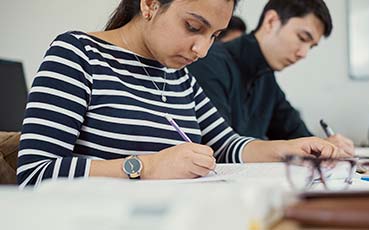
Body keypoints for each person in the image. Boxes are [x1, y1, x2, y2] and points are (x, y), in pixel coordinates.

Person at [17, 0, 347, 188]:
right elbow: (35, 171)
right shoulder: (78, 54)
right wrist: (146, 166)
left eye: (214, 35)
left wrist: (289, 149)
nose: (202, 50)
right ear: (149, 4)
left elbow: (228, 145)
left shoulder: (178, 76)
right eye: (192, 27)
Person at [188, 0, 355, 155]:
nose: (303, 54)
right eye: (302, 38)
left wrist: (325, 145)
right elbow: (219, 148)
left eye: (311, 46)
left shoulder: (266, 78)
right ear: (271, 21)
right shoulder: (210, 63)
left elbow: (298, 136)